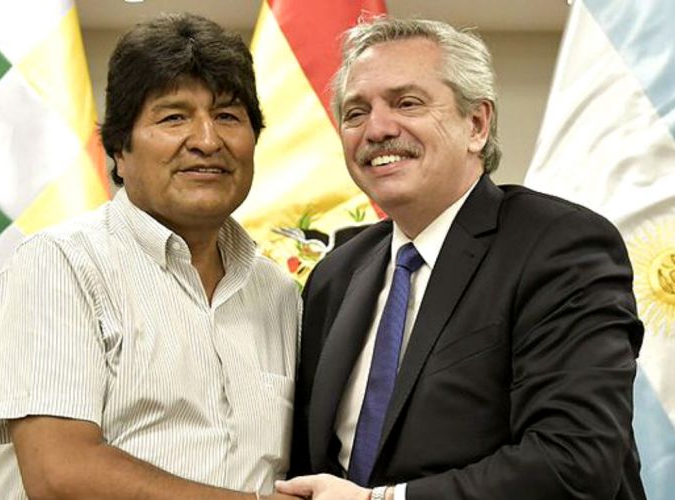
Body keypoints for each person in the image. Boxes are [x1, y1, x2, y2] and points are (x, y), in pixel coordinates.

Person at [277, 16, 646, 500]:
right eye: (355, 112)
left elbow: (574, 461)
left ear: (476, 125)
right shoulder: (336, 274)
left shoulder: (559, 246)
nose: (377, 129)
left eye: (407, 103)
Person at [0, 13, 300, 500]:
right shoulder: (59, 264)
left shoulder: (279, 293)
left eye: (228, 117)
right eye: (173, 117)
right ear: (119, 151)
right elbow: (59, 473)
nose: (207, 140)